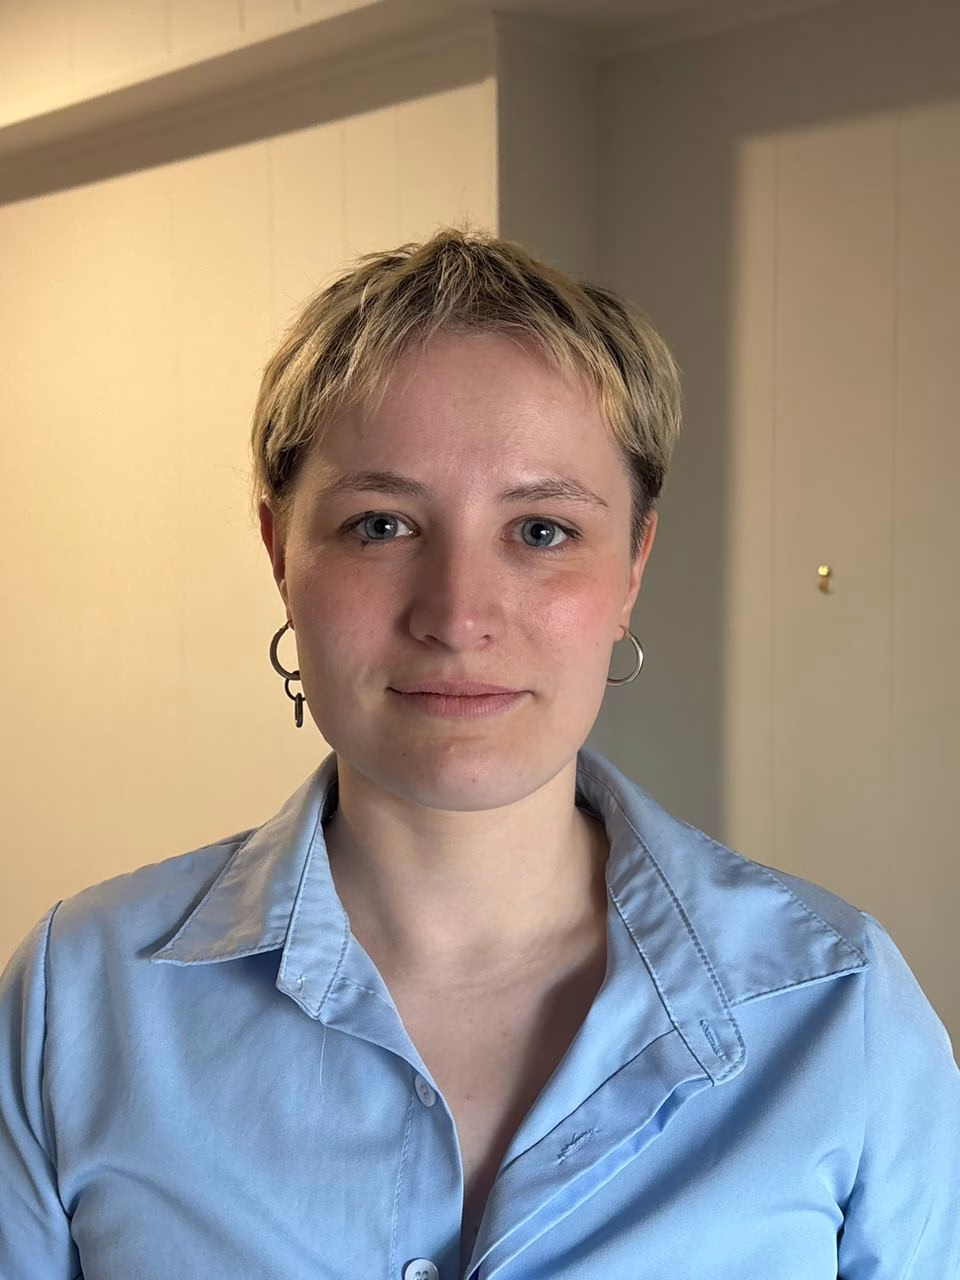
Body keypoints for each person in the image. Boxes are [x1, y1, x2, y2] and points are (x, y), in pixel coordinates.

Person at [1, 229, 958, 1280]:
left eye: (541, 530)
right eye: (380, 525)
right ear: (280, 553)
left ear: (633, 566)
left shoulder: (839, 1009)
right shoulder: (77, 1001)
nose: (458, 617)